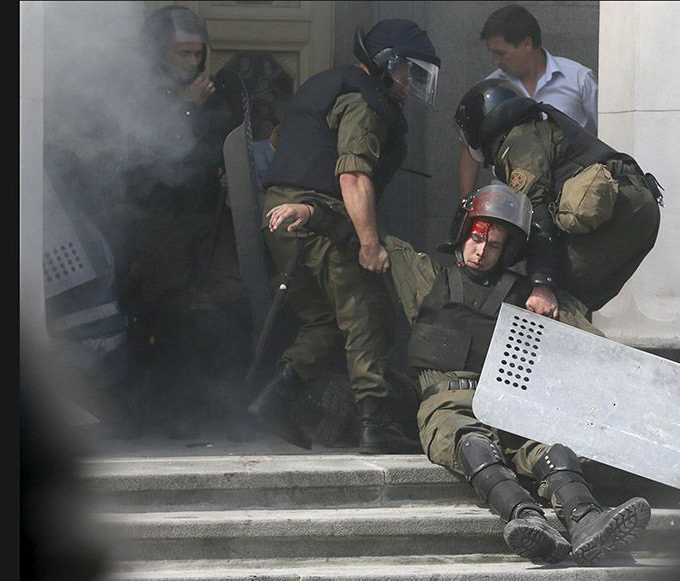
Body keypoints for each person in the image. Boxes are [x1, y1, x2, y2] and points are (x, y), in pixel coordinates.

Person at [380, 184, 651, 565]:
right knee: (474, 445)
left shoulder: (525, 297)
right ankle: (526, 519)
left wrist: (546, 288)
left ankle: (588, 519)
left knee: (551, 448)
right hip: (448, 403)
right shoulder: (427, 278)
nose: (481, 250)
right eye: (476, 238)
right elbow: (373, 241)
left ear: (506, 251)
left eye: (493, 245)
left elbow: (601, 350)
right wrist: (311, 210)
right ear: (464, 233)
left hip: (508, 400)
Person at [246, 19, 441, 454]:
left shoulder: (325, 85)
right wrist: (369, 244)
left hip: (280, 217)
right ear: (387, 64)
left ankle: (277, 396)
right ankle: (375, 422)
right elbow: (353, 173)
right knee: (366, 314)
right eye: (408, 73)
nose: (410, 86)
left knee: (325, 320)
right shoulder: (364, 101)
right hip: (320, 220)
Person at [121, 5, 254, 439]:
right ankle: (163, 414)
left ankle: (219, 407)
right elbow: (148, 158)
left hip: (211, 217)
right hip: (162, 222)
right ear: (159, 53)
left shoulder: (212, 92)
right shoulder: (141, 96)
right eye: (182, 54)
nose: (192, 63)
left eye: (198, 53)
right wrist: (186, 109)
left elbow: (225, 140)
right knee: (169, 313)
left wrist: (227, 169)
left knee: (227, 304)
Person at [454, 78, 663, 315]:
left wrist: (542, 284)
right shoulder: (539, 129)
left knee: (554, 297)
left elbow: (537, 215)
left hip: (621, 213)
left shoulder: (519, 144)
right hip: (636, 207)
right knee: (576, 302)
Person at [458, 4, 598, 197]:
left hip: (567, 199)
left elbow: (609, 129)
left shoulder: (579, 80)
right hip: (508, 201)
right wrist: (467, 203)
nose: (495, 61)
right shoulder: (491, 90)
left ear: (527, 44)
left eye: (501, 53)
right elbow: (471, 150)